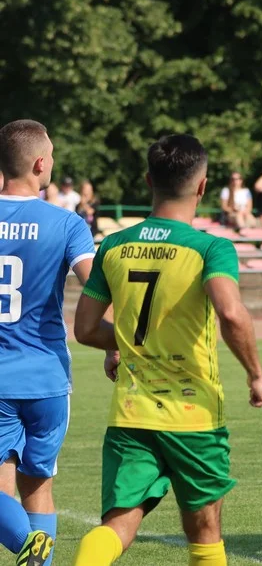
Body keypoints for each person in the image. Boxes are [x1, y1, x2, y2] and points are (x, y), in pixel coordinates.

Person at [71, 134, 262, 565]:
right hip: (193, 415)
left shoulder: (114, 246)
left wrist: (122, 343)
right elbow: (232, 314)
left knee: (117, 527)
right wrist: (255, 373)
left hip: (130, 413)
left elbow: (85, 329)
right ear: (202, 187)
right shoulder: (209, 248)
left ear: (148, 181)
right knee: (205, 530)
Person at [0, 119, 98, 566]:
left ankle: (27, 546)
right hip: (48, 378)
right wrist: (115, 344)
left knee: (2, 492)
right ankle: (39, 554)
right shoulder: (67, 223)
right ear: (41, 163)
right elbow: (97, 289)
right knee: (38, 486)